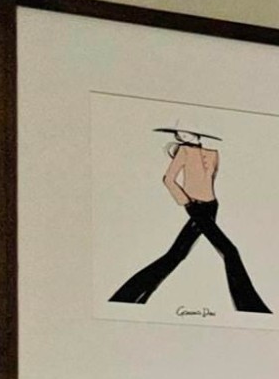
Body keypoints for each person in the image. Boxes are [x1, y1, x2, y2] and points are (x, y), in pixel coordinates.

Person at [109, 127, 270, 314]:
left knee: (177, 255)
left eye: (186, 131)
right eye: (180, 133)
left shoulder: (213, 153)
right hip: (196, 207)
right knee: (229, 251)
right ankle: (251, 307)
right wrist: (187, 202)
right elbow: (168, 179)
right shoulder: (184, 151)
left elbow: (210, 180)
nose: (182, 135)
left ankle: (128, 296)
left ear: (198, 132)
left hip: (212, 206)